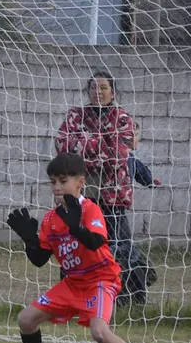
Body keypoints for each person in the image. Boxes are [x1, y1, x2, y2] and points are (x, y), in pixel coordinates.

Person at [5, 152, 167, 343]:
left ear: (80, 182)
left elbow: (96, 242)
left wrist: (76, 226)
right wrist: (29, 239)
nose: (57, 187)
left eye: (63, 180)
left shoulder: (90, 209)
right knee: (26, 319)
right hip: (73, 283)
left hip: (101, 279)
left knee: (99, 332)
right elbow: (39, 260)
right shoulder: (50, 219)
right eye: (53, 182)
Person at [55, 71, 151, 304]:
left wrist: (85, 148)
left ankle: (126, 297)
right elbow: (63, 144)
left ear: (113, 92)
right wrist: (101, 145)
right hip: (80, 195)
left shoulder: (123, 118)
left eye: (103, 88)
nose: (97, 92)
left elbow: (118, 156)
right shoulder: (75, 115)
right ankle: (75, 295)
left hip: (113, 196)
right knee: (75, 245)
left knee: (117, 247)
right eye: (93, 87)